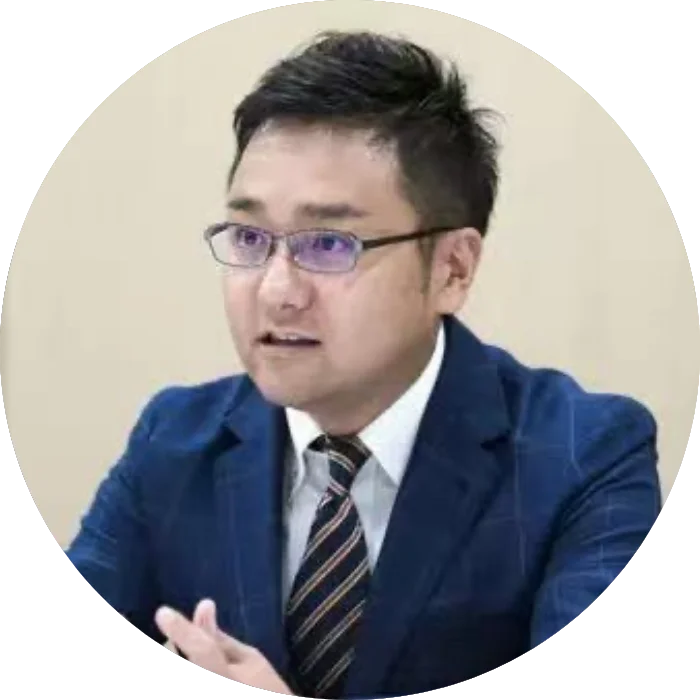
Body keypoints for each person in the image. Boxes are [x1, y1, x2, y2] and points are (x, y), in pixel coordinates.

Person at [65, 31, 661, 698]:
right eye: (251, 237)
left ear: (452, 269)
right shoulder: (173, 442)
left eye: (327, 243)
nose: (276, 290)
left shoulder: (584, 456)